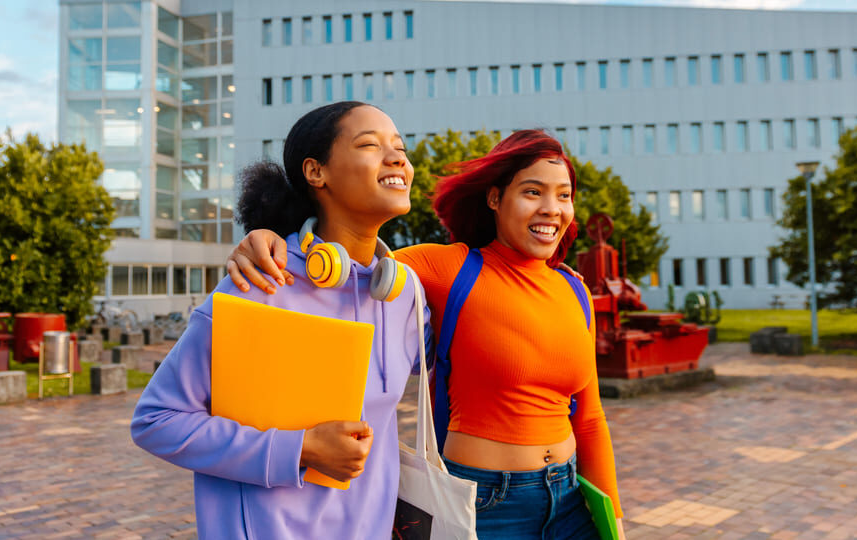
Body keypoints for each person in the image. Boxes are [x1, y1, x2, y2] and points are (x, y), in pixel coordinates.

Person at [228, 129, 627, 539]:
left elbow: (591, 418)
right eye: (532, 192)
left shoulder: (574, 290)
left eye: (564, 196)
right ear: (494, 198)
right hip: (486, 504)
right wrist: (273, 237)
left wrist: (612, 519)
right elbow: (341, 260)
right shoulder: (448, 269)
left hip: (570, 501)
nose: (551, 209)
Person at [131, 102, 429, 540]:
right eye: (369, 145)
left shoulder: (404, 294)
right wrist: (300, 448)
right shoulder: (260, 280)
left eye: (400, 148)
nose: (397, 158)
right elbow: (157, 420)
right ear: (316, 172)